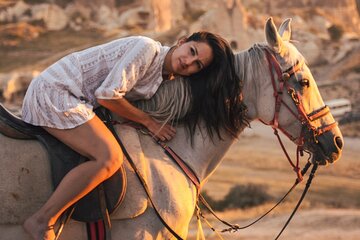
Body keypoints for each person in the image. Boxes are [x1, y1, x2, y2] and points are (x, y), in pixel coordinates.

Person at [22, 31, 238, 240]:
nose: (188, 62)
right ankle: (42, 220)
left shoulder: (163, 77)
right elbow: (107, 96)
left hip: (78, 99)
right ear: (182, 41)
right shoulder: (147, 49)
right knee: (109, 158)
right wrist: (148, 122)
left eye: (197, 65)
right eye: (191, 51)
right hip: (56, 92)